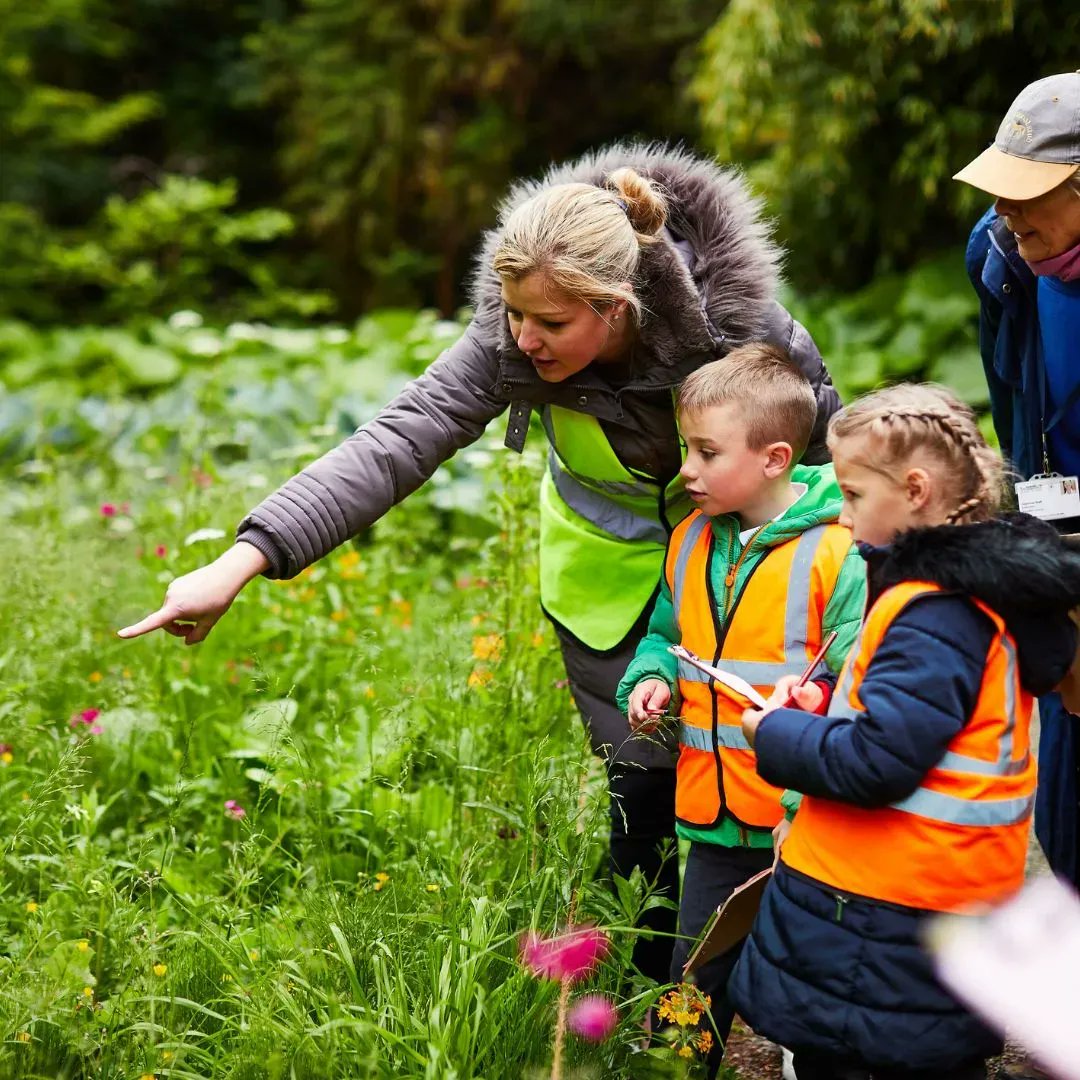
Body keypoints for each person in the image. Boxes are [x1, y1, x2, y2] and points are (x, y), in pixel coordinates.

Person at [117, 144, 841, 986]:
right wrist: (245, 559)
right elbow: (397, 439)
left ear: (616, 307)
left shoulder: (748, 336)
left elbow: (836, 478)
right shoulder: (510, 336)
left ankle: (783, 980)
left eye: (551, 325)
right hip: (604, 585)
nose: (523, 340)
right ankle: (652, 1005)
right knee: (641, 791)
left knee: (768, 782)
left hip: (743, 583)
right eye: (512, 316)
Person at [728, 384, 1080, 1080]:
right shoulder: (980, 594)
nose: (841, 509)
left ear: (915, 490)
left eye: (855, 493)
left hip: (880, 919)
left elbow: (878, 762)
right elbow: (928, 718)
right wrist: (826, 701)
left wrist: (777, 734)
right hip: (931, 905)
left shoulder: (934, 612)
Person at [615, 343, 864, 1074]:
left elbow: (853, 684)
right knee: (696, 972)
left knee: (814, 971)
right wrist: (651, 680)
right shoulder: (689, 540)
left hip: (807, 819)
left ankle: (809, 1063)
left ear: (775, 457)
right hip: (716, 818)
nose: (685, 468)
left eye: (705, 451)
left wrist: (804, 790)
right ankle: (676, 1069)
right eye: (685, 447)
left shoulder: (837, 552)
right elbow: (666, 635)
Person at [955, 71, 1080, 900]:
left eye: (1029, 195)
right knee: (1065, 808)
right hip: (1059, 538)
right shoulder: (1000, 258)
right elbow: (1009, 406)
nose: (1009, 212)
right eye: (999, 190)